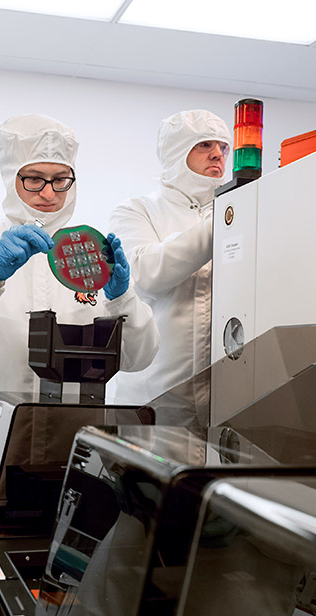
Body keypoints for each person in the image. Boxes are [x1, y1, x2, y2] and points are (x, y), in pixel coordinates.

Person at [0, 114, 160, 504]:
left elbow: (139, 358)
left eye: (61, 180)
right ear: (12, 178)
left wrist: (122, 298)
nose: (49, 193)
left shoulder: (89, 259)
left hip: (73, 467)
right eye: (34, 179)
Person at [111, 110, 231, 408]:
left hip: (222, 400)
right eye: (205, 145)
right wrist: (224, 222)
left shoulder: (234, 210)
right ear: (178, 152)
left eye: (223, 147)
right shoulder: (137, 210)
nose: (218, 154)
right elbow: (148, 275)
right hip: (151, 399)